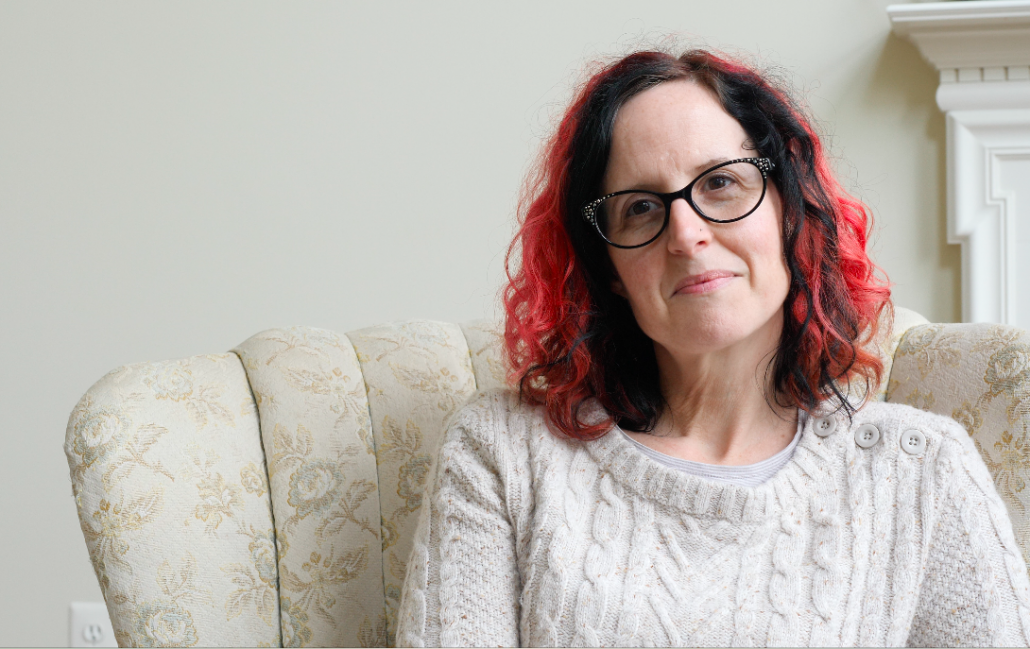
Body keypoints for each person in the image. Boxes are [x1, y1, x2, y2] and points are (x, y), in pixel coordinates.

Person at [396, 49, 1030, 647]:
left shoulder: (924, 472)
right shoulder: (502, 455)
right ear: (610, 268)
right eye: (641, 208)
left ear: (791, 210)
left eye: (721, 183)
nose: (687, 235)